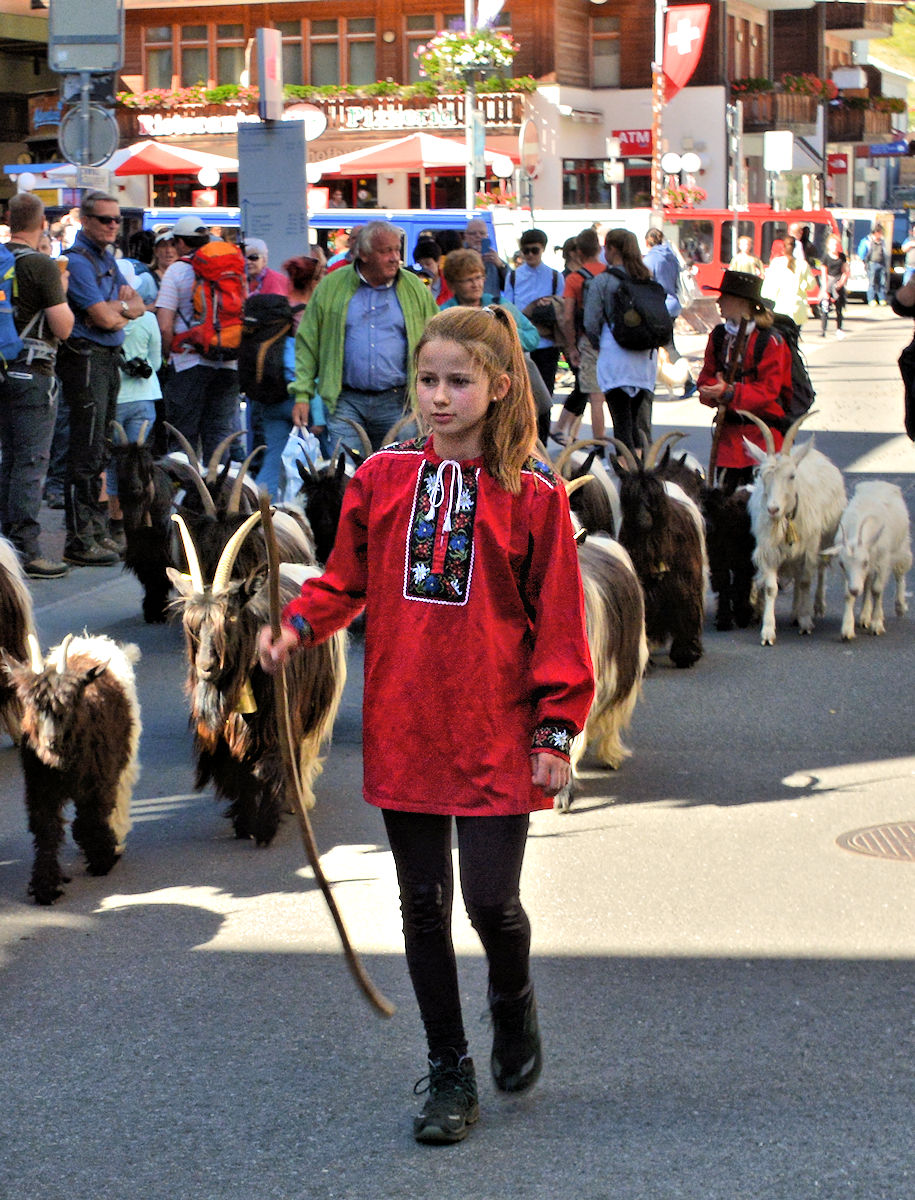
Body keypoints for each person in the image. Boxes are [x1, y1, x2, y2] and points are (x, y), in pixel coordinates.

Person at [258, 305, 594, 1145]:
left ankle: (511, 1003)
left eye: (458, 381)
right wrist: (296, 625)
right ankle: (449, 1068)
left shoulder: (536, 495)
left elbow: (558, 626)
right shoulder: (380, 477)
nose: (438, 397)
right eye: (427, 380)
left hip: (492, 726)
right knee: (419, 904)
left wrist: (555, 733)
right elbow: (344, 581)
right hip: (406, 723)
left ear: (499, 387)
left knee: (491, 905)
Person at [290, 220, 438, 453]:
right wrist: (302, 394)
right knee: (345, 475)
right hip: (346, 400)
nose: (394, 257)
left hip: (399, 402)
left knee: (397, 474)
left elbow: (436, 337)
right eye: (385, 251)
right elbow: (308, 343)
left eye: (396, 250)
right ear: (364, 254)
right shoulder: (332, 286)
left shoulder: (414, 288)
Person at [56, 190, 145, 566]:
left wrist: (118, 308)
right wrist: (120, 310)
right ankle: (80, 538)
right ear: (86, 221)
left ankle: (93, 531)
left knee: (100, 445)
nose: (113, 225)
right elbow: (106, 318)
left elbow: (136, 308)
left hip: (106, 357)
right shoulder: (78, 262)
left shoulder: (105, 258)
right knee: (87, 449)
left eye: (116, 219)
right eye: (105, 219)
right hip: (87, 359)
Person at [0, 193, 74, 578]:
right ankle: (28, 551)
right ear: (42, 223)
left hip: (1, 368)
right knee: (30, 463)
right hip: (33, 372)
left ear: (9, 219)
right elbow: (63, 327)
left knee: (7, 460)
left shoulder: (0, 258)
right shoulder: (41, 265)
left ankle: (4, 546)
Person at [156, 215, 242, 463]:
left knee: (184, 433)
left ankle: (187, 492)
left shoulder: (177, 271)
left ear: (180, 242)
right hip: (228, 361)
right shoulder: (231, 266)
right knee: (219, 431)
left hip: (188, 363)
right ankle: (220, 493)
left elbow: (164, 325)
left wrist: (167, 354)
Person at [697, 269, 793, 491]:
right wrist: (712, 391)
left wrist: (729, 392)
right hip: (728, 441)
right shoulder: (720, 336)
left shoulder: (770, 342)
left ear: (741, 302)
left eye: (725, 296)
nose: (719, 301)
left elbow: (769, 390)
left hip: (763, 440)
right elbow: (706, 377)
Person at [583, 227, 659, 452]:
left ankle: (628, 475)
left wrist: (598, 344)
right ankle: (642, 470)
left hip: (615, 355)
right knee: (640, 422)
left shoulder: (603, 281)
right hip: (645, 359)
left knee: (621, 423)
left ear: (613, 249)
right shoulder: (647, 278)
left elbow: (590, 322)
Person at [105, 299, 162, 551]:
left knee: (116, 463)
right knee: (140, 464)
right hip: (144, 399)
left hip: (114, 400)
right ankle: (143, 521)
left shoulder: (105, 318)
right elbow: (157, 362)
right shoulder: (148, 319)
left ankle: (117, 525)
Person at [554, 226, 607, 445]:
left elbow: (567, 317)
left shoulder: (574, 279)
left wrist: (571, 346)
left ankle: (599, 446)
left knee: (595, 397)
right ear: (598, 248)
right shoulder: (610, 272)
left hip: (588, 341)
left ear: (579, 252)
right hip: (613, 342)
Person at [502, 227, 565, 408]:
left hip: (547, 343)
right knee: (522, 399)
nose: (530, 255)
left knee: (546, 398)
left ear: (543, 249)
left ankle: (542, 436)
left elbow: (561, 308)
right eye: (526, 250)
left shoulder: (555, 276)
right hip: (522, 343)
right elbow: (508, 308)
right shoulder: (513, 276)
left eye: (534, 250)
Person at [643, 227, 698, 398]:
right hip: (673, 304)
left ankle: (688, 380)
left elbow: (647, 284)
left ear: (647, 242)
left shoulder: (650, 259)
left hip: (659, 307)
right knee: (661, 344)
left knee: (665, 346)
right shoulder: (671, 256)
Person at [761, 235, 815, 328]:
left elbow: (768, 287)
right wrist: (802, 286)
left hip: (779, 307)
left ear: (783, 247)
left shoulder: (776, 263)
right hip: (797, 307)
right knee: (794, 336)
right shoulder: (803, 264)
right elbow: (811, 285)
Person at [462, 218, 506, 297]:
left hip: (491, 306)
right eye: (473, 233)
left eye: (482, 233)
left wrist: (501, 266)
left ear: (487, 236)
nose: (478, 236)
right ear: (466, 236)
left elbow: (511, 285)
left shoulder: (492, 257)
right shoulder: (458, 257)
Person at [818, 233, 849, 338]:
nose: (835, 246)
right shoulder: (825, 257)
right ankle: (823, 330)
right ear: (828, 245)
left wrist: (841, 282)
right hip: (828, 282)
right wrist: (825, 290)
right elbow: (824, 274)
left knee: (839, 308)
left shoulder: (842, 257)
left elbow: (846, 271)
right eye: (832, 244)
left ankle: (839, 328)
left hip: (838, 283)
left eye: (836, 244)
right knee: (825, 308)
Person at [412, 237, 452, 306]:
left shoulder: (450, 284)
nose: (424, 268)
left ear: (438, 261)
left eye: (428, 264)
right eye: (420, 265)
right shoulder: (413, 283)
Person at [862, 226, 889, 306]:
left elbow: (885, 254)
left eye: (880, 233)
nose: (879, 235)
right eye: (878, 233)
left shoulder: (883, 243)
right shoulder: (868, 242)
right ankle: (871, 299)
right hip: (872, 264)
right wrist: (865, 263)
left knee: (882, 282)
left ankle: (882, 299)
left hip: (882, 264)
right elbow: (863, 253)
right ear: (874, 233)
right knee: (872, 283)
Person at [901, 222, 915, 286]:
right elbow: (903, 249)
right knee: (907, 285)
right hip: (910, 267)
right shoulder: (909, 239)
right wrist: (910, 244)